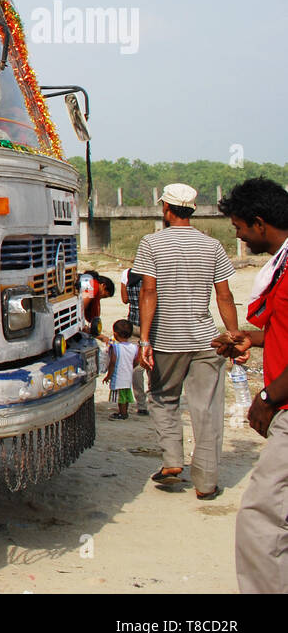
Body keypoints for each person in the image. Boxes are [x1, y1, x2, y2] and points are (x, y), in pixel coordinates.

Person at [135, 183, 239, 499]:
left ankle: (172, 462)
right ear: (191, 210)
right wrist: (233, 338)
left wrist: (144, 340)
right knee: (206, 410)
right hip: (208, 341)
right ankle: (206, 483)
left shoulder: (151, 243)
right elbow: (224, 295)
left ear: (166, 208)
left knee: (162, 398)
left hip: (167, 340)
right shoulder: (213, 245)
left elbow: (148, 292)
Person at [211, 177, 288, 593]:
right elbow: (282, 329)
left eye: (239, 226)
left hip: (285, 405)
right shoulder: (282, 265)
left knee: (262, 518)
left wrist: (266, 397)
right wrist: (249, 338)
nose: (237, 234)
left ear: (260, 223)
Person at [121, 267, 149, 415]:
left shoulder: (126, 273)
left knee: (136, 368)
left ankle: (141, 404)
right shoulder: (151, 272)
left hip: (133, 324)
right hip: (150, 326)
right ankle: (156, 399)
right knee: (152, 364)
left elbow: (125, 300)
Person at [99, 319, 139, 420]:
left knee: (120, 398)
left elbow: (112, 363)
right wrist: (130, 367)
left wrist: (109, 375)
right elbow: (136, 361)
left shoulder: (116, 347)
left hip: (119, 376)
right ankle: (124, 412)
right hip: (128, 376)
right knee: (125, 395)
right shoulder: (134, 347)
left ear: (115, 334)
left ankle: (122, 413)